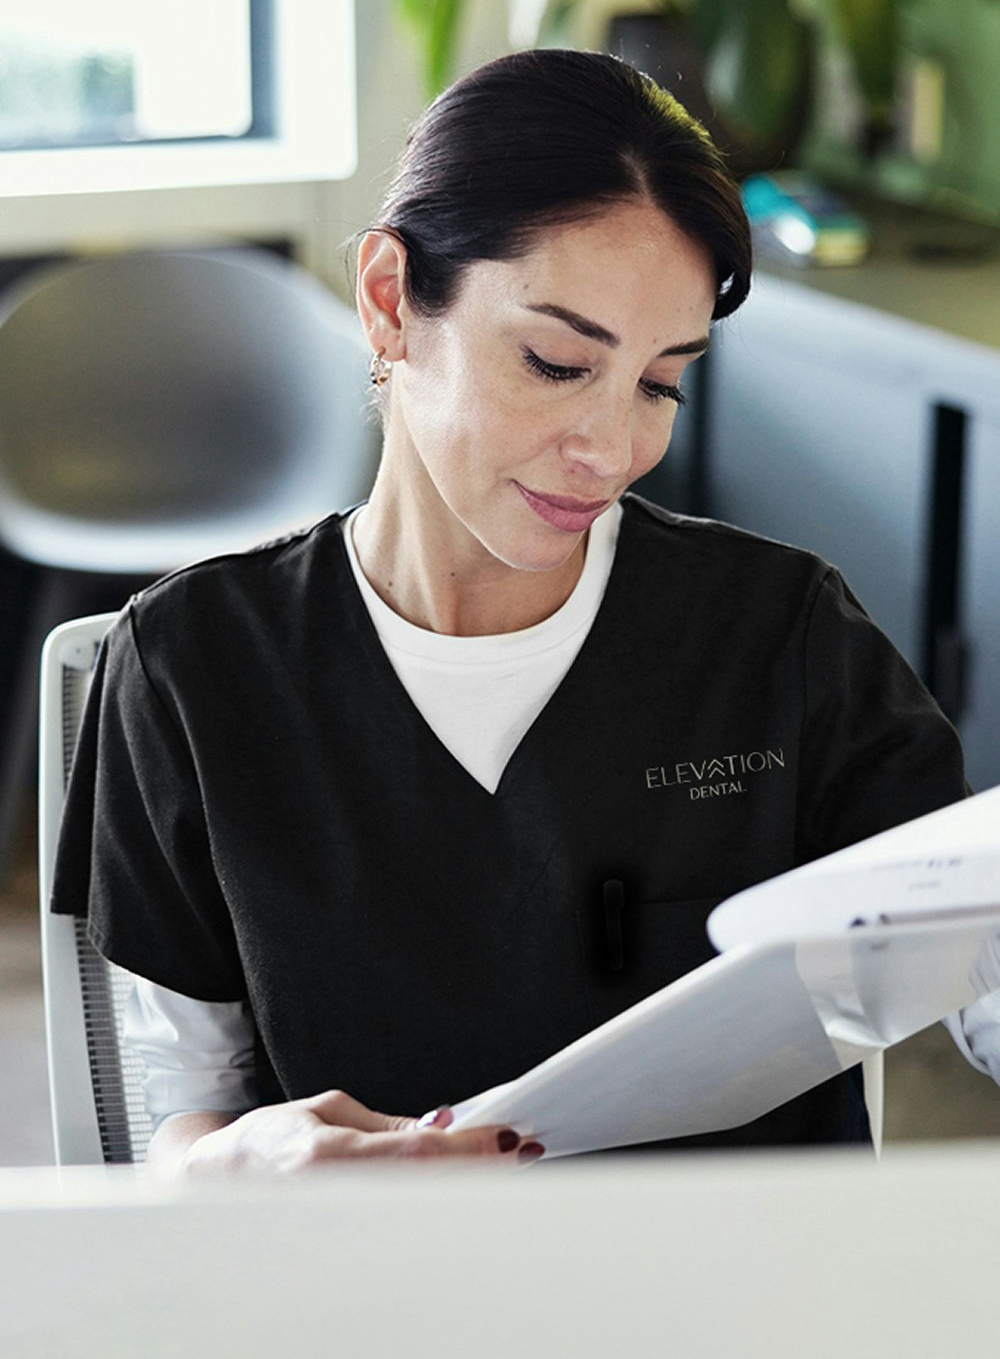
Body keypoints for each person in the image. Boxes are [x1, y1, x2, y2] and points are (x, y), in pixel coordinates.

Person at [52, 49, 981, 1175]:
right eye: (554, 363)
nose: (613, 449)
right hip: (371, 1299)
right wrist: (238, 1161)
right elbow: (179, 1113)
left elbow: (961, 981)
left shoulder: (783, 637)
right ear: (391, 300)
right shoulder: (193, 668)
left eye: (660, 384)